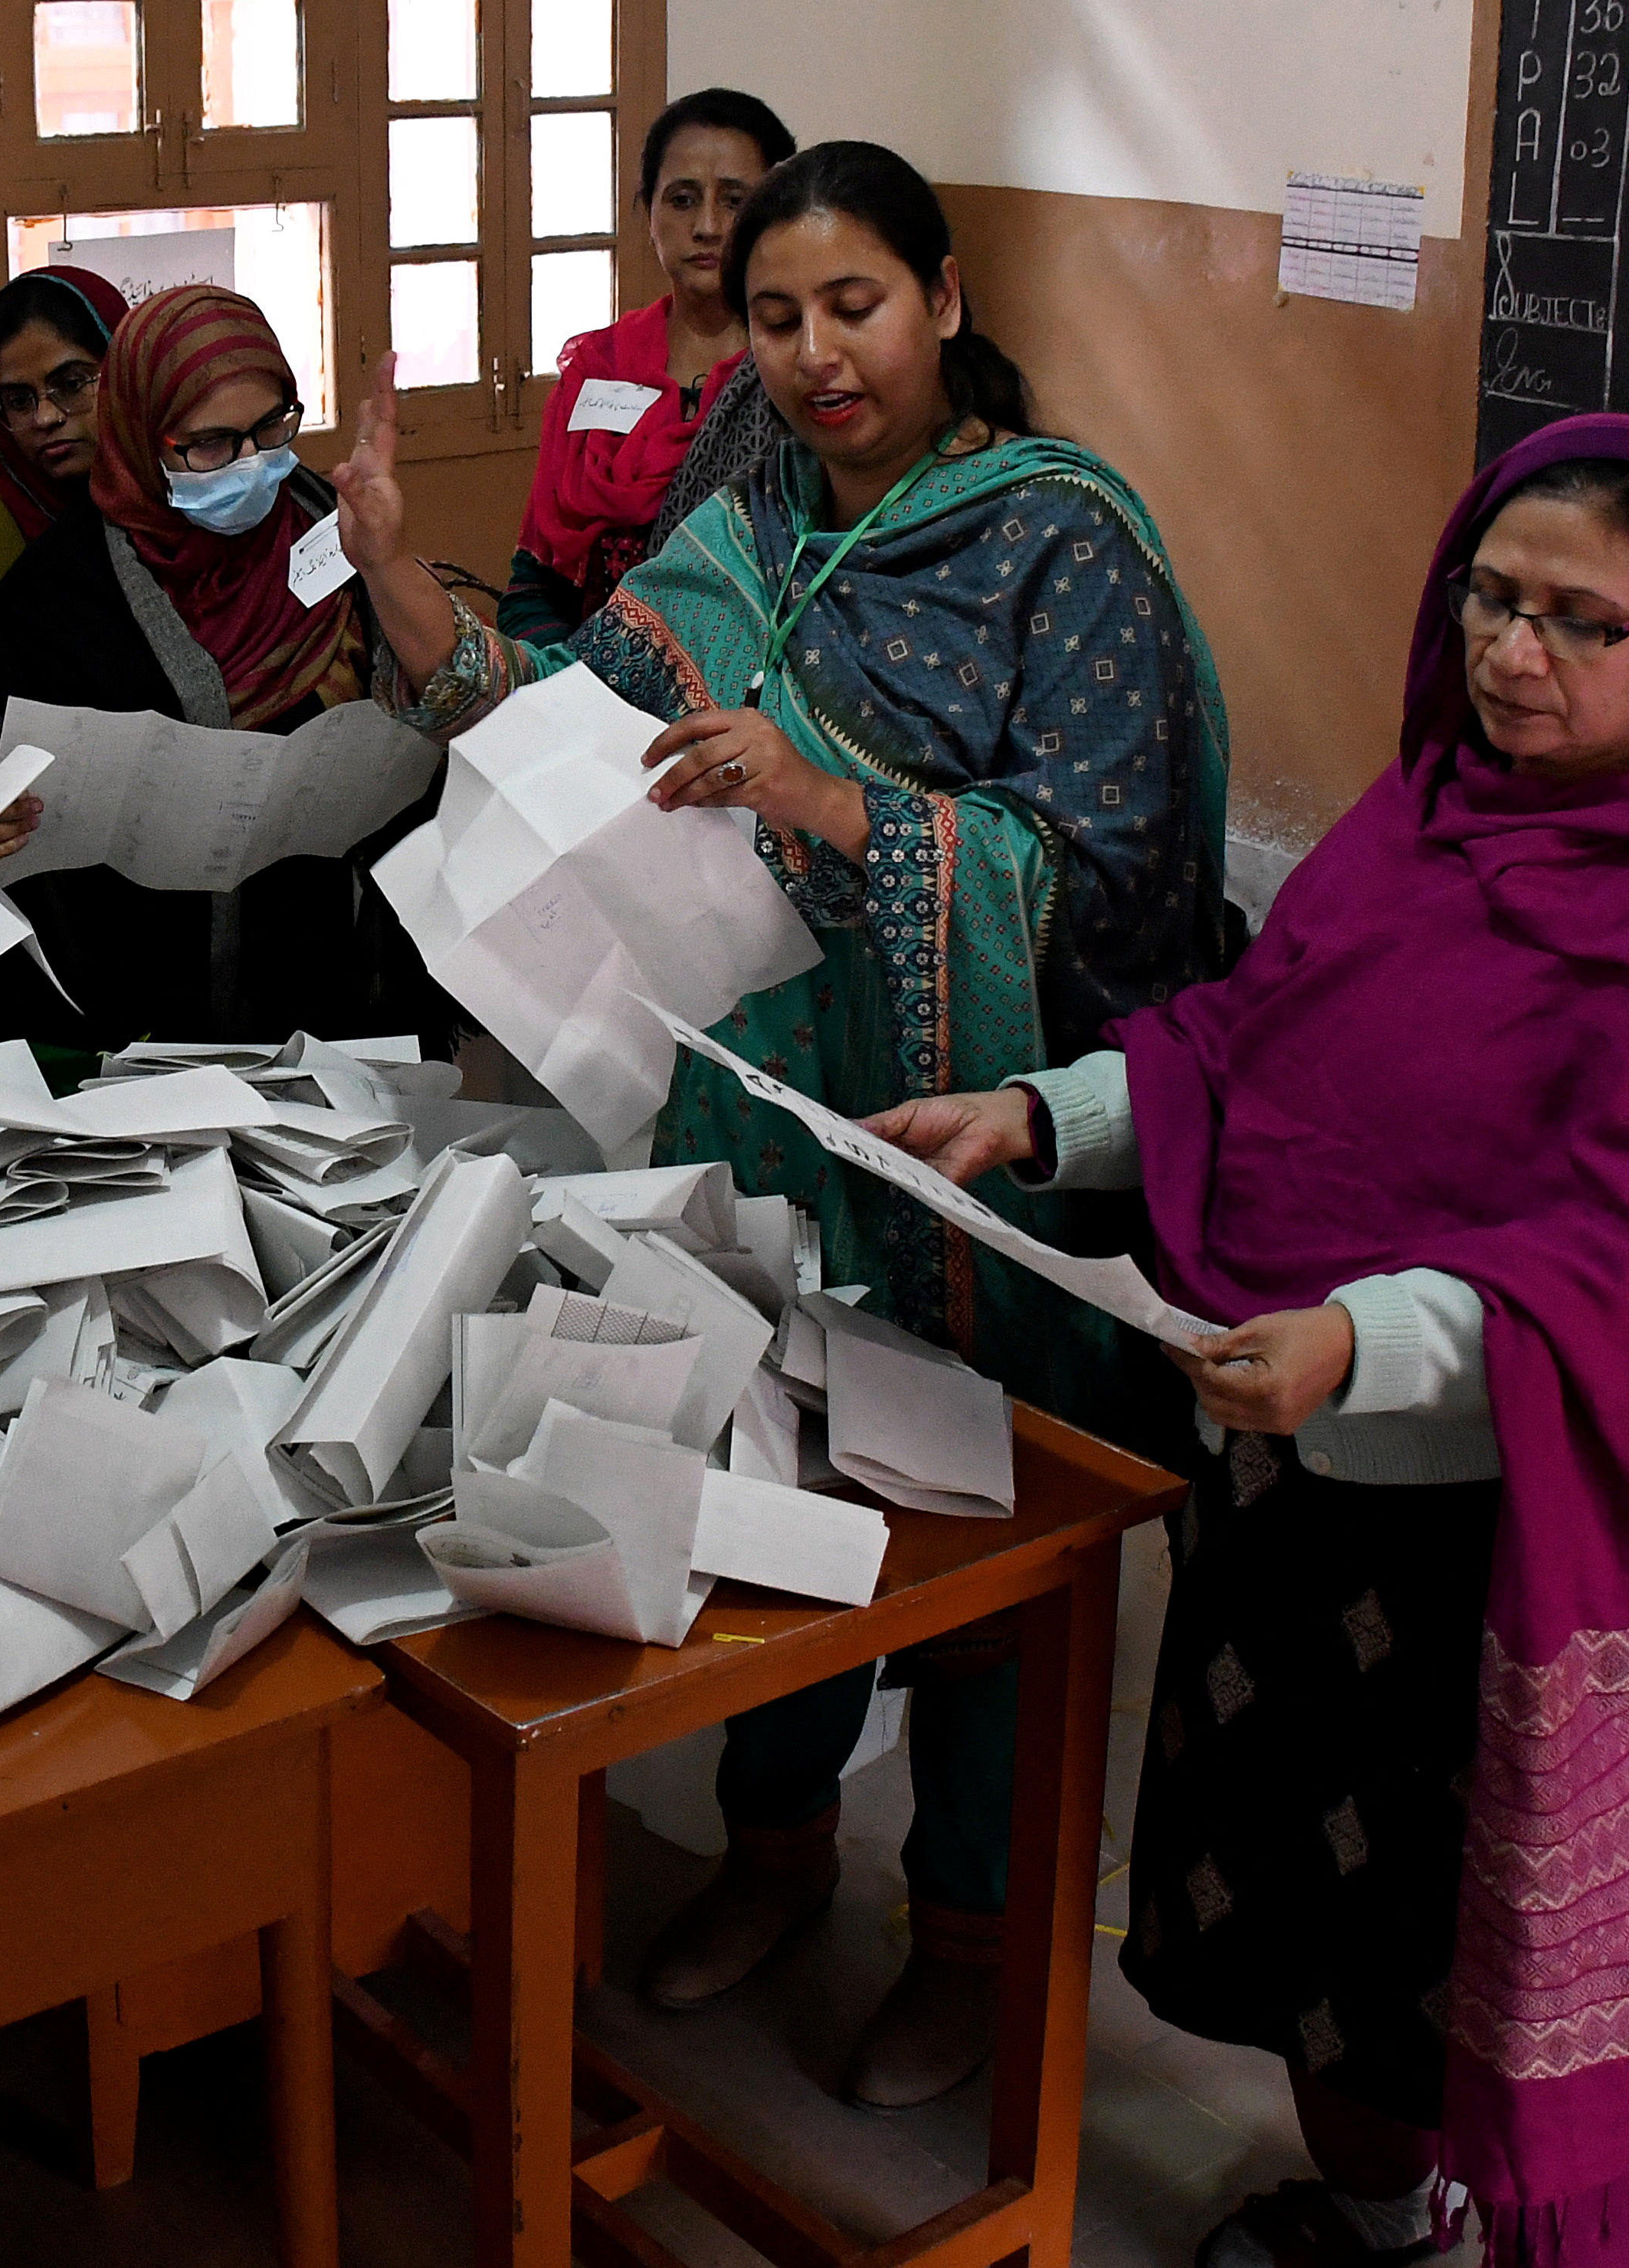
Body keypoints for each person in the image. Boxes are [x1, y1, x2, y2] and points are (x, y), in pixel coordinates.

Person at [867, 417, 1629, 2268]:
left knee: (1442, 1938)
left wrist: (1369, 1338)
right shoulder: (1412, 824)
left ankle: (1462, 2218)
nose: (1514, 652)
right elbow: (1241, 1043)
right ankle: (1375, 2211)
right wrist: (1036, 1111)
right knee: (1308, 1921)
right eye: (1494, 597)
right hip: (1287, 1477)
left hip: (1506, 1549)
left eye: (1583, 619)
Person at [330, 139, 1232, 2106]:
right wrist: (396, 563)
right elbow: (556, 713)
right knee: (777, 1480)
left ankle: (973, 1934)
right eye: (774, 314)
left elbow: (1124, 874)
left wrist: (831, 806)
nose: (820, 353)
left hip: (985, 1139)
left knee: (985, 1518)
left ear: (946, 296)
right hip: (767, 1120)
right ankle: (772, 1849)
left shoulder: (1057, 540)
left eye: (858, 304)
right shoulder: (739, 527)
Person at [0, 282, 435, 1047]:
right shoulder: (59, 594)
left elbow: (434, 690)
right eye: (209, 443)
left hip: (342, 987)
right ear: (140, 432)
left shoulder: (330, 527)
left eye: (271, 428)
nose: (250, 464)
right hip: (144, 1022)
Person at [506, 88, 797, 642]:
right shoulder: (598, 367)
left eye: (735, 201)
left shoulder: (797, 373)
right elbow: (533, 582)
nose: (708, 226)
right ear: (648, 212)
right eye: (682, 199)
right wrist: (567, 680)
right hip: (583, 679)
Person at [0, 264, 130, 644]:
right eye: (18, 400)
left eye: (72, 383)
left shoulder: (190, 511)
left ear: (127, 371)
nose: (45, 417)